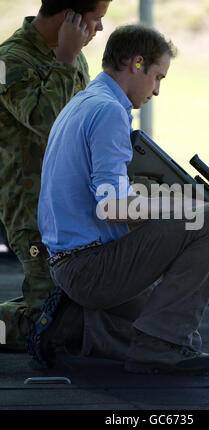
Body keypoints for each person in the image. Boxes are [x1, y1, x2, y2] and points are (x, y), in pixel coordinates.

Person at [37, 24, 209, 375]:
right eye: (157, 76)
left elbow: (110, 196)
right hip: (89, 268)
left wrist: (176, 204)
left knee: (181, 336)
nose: (157, 90)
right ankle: (156, 347)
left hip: (71, 265)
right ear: (136, 63)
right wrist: (191, 207)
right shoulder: (110, 112)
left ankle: (85, 329)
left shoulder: (85, 102)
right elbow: (113, 207)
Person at [0, 0, 111, 350]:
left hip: (71, 202)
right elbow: (47, 122)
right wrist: (64, 58)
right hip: (31, 208)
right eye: (96, 20)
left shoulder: (74, 56)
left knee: (76, 311)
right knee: (54, 329)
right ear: (71, 18)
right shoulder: (9, 60)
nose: (100, 29)